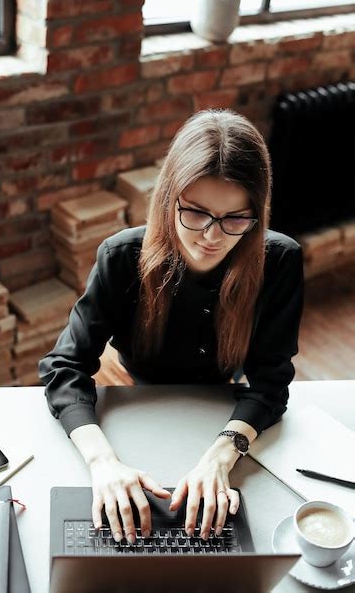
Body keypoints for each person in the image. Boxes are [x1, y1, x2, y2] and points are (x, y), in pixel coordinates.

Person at [39, 108, 304, 545]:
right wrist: (102, 462)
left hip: (222, 412)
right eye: (196, 213)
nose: (212, 237)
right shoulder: (121, 256)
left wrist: (220, 458)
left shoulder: (279, 261)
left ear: (258, 213)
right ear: (169, 199)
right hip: (135, 407)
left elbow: (271, 381)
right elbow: (63, 367)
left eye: (236, 218)